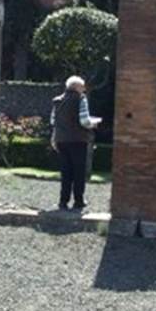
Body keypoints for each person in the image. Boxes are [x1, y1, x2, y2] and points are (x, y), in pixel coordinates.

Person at [50, 75, 102, 211]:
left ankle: (63, 201)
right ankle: (79, 201)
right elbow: (84, 121)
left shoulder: (57, 101)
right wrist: (95, 123)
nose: (84, 89)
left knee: (66, 171)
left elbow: (53, 121)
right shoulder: (81, 99)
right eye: (82, 86)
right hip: (78, 140)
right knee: (79, 171)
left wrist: (54, 138)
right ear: (76, 87)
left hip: (61, 140)